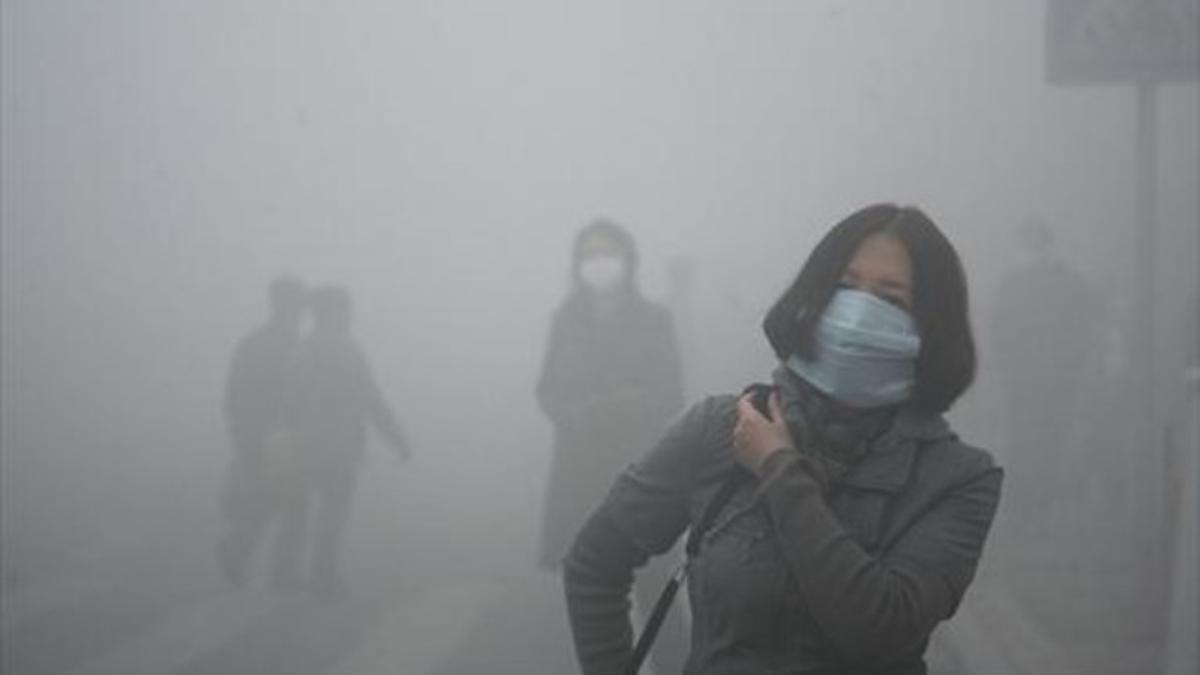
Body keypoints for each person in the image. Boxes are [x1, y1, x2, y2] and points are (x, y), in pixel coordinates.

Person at [564, 204, 1003, 673]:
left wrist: (779, 468)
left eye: (890, 299)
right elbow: (594, 563)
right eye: (844, 288)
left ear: (930, 327)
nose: (857, 315)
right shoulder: (721, 426)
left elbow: (878, 632)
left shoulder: (959, 479)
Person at [537, 218, 687, 672]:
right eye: (589, 255)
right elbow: (545, 390)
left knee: (657, 591)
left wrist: (627, 406)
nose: (597, 264)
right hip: (579, 473)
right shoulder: (567, 318)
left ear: (628, 260)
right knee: (592, 595)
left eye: (607, 253)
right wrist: (573, 412)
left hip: (641, 471)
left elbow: (671, 394)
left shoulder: (654, 320)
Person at [272, 284, 411, 599]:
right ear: (335, 313)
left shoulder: (304, 350)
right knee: (333, 512)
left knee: (298, 509)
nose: (350, 316)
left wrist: (284, 438)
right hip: (340, 445)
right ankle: (323, 574)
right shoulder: (349, 352)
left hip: (305, 443)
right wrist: (397, 439)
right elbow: (372, 400)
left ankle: (284, 571)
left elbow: (289, 403)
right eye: (346, 310)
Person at [217, 276, 308, 588]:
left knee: (272, 499)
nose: (300, 310)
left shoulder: (256, 343)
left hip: (265, 434)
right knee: (291, 501)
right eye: (297, 303)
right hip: (276, 436)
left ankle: (241, 550)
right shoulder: (288, 344)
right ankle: (275, 568)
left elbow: (231, 398)